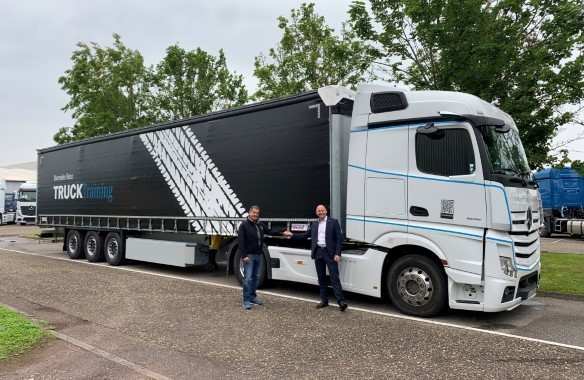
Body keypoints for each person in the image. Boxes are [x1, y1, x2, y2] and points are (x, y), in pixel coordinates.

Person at [283, 205, 348, 311]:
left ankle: (341, 302)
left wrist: (337, 254)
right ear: (316, 213)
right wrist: (292, 235)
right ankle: (324, 300)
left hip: (329, 253)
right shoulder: (315, 224)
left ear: (326, 211)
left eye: (322, 210)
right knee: (321, 277)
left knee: (334, 278)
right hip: (318, 252)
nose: (321, 212)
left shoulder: (334, 222)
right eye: (319, 211)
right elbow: (305, 236)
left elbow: (338, 239)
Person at [238, 205, 283, 310]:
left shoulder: (260, 224)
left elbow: (270, 231)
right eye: (254, 212)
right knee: (247, 278)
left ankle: (253, 298)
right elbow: (241, 242)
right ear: (249, 213)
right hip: (249, 255)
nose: (255, 215)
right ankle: (246, 300)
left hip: (259, 255)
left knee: (256, 278)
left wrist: (282, 233)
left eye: (257, 213)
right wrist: (244, 255)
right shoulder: (244, 225)